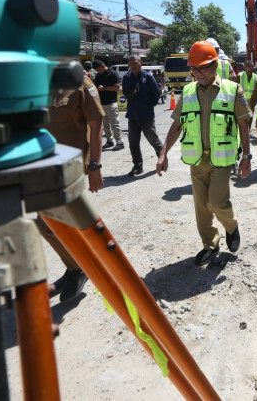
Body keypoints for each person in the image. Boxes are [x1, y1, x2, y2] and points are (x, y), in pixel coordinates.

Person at [156, 41, 252, 266]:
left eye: (203, 67)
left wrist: (246, 157)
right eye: (194, 68)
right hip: (197, 159)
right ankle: (210, 244)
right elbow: (177, 124)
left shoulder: (232, 89)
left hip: (222, 159)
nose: (198, 73)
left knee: (217, 203)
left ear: (215, 65)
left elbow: (243, 125)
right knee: (201, 207)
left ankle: (231, 227)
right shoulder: (188, 91)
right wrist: (163, 154)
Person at [35, 66, 105, 303]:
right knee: (46, 223)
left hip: (70, 165)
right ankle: (75, 267)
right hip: (44, 164)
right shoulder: (37, 80)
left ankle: (80, 268)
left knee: (55, 221)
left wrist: (95, 166)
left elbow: (96, 125)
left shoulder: (80, 82)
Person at [122, 54, 164, 176]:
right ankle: (137, 166)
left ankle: (162, 162)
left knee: (154, 141)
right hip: (132, 116)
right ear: (128, 65)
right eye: (131, 64)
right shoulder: (126, 77)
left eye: (136, 63)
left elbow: (156, 95)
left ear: (141, 63)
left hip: (147, 117)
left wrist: (148, 106)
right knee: (133, 143)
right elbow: (125, 92)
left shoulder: (148, 77)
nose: (133, 66)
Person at [93, 59, 124, 151]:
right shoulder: (98, 76)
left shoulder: (113, 74)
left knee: (115, 124)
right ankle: (109, 141)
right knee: (105, 124)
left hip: (111, 103)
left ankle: (120, 142)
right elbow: (95, 87)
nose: (98, 72)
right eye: (96, 71)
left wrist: (105, 88)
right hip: (101, 103)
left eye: (98, 70)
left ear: (103, 66)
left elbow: (117, 87)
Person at [238, 60, 257, 134]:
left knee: (250, 118)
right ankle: (240, 134)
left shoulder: (255, 77)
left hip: (251, 102)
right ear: (245, 67)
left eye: (252, 66)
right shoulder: (240, 75)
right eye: (249, 66)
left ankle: (247, 133)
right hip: (241, 102)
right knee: (242, 118)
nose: (251, 68)